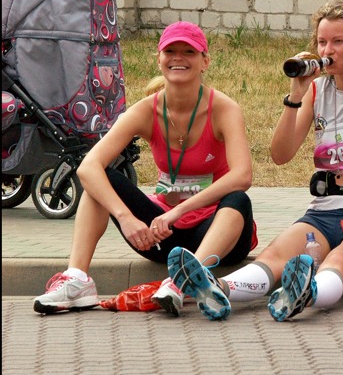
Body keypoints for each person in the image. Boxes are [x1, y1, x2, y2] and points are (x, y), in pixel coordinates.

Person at [166, 0, 343, 322]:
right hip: (324, 209)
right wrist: (295, 96)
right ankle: (217, 290)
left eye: (337, 41)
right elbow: (281, 154)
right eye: (321, 42)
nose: (327, 49)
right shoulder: (317, 90)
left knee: (339, 258)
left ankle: (309, 293)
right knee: (277, 253)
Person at [33, 21, 257, 319]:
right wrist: (127, 219)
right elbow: (89, 167)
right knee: (100, 183)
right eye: (170, 51)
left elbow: (242, 176)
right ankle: (78, 280)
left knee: (238, 199)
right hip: (161, 233)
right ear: (159, 59)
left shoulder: (224, 109)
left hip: (218, 235)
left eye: (188, 51)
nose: (178, 57)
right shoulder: (145, 110)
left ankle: (183, 280)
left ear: (205, 61)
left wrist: (177, 211)